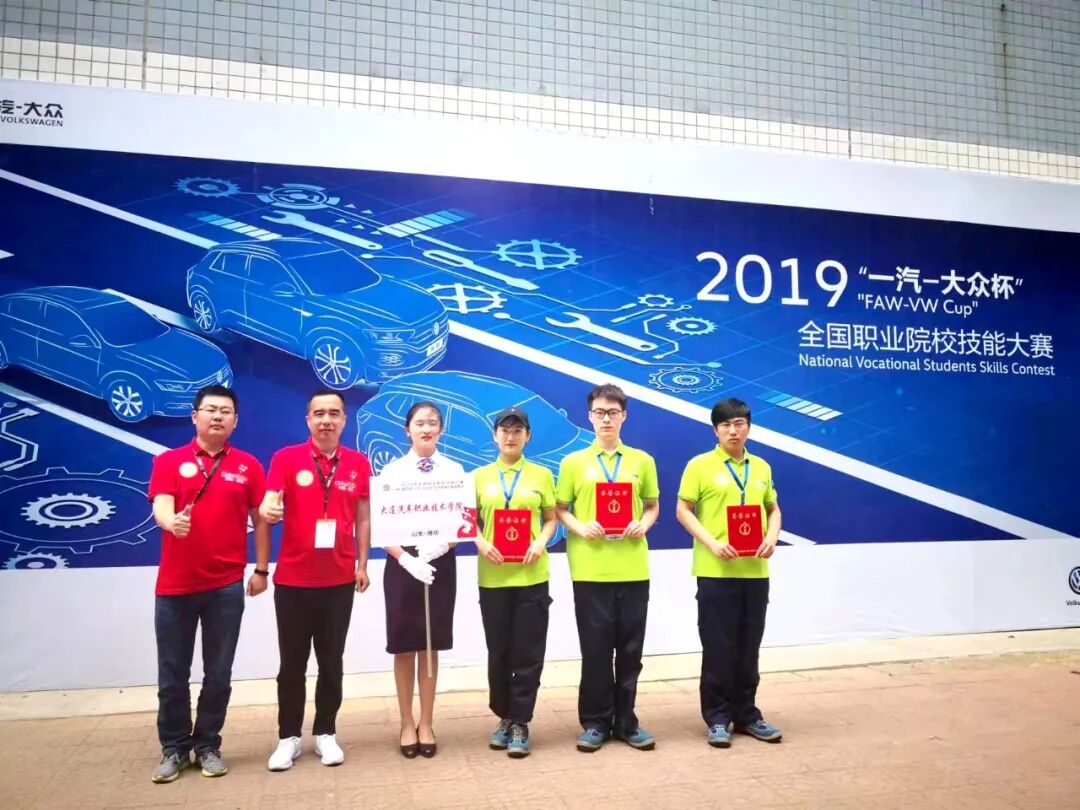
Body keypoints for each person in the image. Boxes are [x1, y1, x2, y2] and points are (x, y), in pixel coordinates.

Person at [148, 385, 270, 783]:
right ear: (195, 416)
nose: (218, 416)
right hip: (175, 586)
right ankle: (173, 748)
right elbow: (161, 505)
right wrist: (172, 522)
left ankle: (208, 745)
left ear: (236, 421)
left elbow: (261, 518)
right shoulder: (169, 461)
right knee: (173, 674)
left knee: (218, 673)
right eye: (211, 410)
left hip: (225, 586)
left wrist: (262, 569)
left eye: (226, 411)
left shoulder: (248, 466)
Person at [260, 389, 372, 771]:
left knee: (331, 662)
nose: (327, 420)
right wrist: (269, 507)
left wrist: (362, 564)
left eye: (334, 413)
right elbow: (271, 500)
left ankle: (326, 731)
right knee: (291, 664)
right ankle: (288, 737)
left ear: (344, 420)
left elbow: (363, 518)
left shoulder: (357, 463)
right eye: (319, 413)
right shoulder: (286, 458)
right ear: (308, 419)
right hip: (293, 580)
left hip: (339, 580)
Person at [555, 383, 660, 752]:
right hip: (590, 569)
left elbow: (652, 506)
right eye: (599, 412)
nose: (606, 419)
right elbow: (560, 509)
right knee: (596, 651)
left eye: (613, 413)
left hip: (632, 567)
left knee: (631, 652)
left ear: (624, 416)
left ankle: (627, 722)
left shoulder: (642, 461)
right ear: (589, 416)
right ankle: (595, 722)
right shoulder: (573, 462)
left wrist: (642, 525)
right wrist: (582, 527)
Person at [675, 397, 783, 748]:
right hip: (716, 570)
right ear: (715, 430)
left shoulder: (761, 467)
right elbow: (683, 510)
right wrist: (712, 543)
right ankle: (718, 718)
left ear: (749, 426)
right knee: (718, 647)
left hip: (755, 570)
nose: (733, 431)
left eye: (739, 424)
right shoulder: (699, 466)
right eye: (726, 425)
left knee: (749, 646)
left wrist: (772, 537)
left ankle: (748, 714)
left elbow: (773, 508)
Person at [380, 401, 464, 759]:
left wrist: (443, 545)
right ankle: (405, 722)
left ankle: (426, 722)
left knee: (429, 644)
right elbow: (382, 525)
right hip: (403, 563)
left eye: (432, 423)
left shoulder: (454, 470)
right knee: (404, 644)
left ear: (441, 430)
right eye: (419, 423)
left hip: (440, 560)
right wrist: (405, 558)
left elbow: (464, 521)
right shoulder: (392, 471)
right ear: (407, 430)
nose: (426, 429)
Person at [474, 406, 557, 758]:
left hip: (531, 575)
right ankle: (504, 715)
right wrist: (481, 542)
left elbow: (551, 518)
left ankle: (521, 721)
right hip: (493, 576)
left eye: (517, 430)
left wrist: (540, 543)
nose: (511, 436)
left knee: (528, 651)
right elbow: (468, 521)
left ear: (528, 436)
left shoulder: (542, 475)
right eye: (505, 430)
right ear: (495, 436)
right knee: (499, 652)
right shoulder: (478, 477)